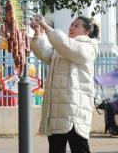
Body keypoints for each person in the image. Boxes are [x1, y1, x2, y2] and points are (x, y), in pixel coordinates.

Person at [30, 15, 99, 153]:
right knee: (56, 149)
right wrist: (37, 33)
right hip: (55, 109)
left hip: (74, 111)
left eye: (76, 26)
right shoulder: (61, 47)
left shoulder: (89, 46)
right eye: (72, 24)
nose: (71, 27)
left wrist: (45, 26)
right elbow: (44, 53)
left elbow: (68, 47)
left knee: (79, 148)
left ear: (86, 32)